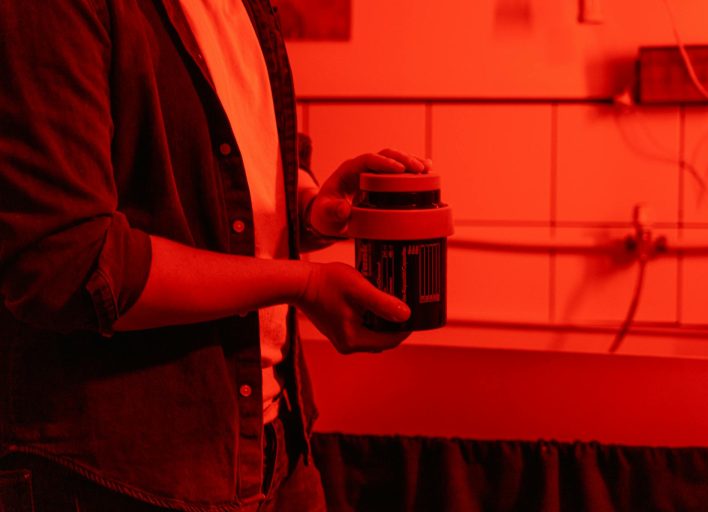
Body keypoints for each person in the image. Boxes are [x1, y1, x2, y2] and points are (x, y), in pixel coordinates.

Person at [0, 1, 429, 510]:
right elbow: (66, 262)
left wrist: (309, 209)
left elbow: (222, 162)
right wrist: (303, 283)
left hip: (278, 446)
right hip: (119, 474)